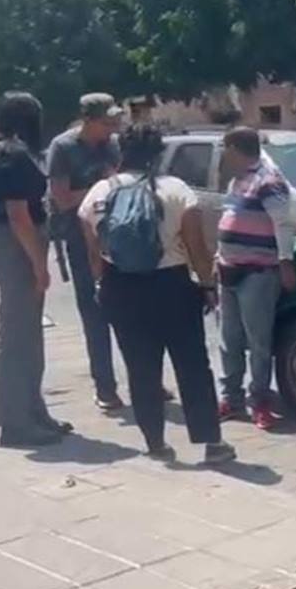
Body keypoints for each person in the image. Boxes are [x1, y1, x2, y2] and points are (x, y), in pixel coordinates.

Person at [78, 123, 235, 464]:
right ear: (157, 154)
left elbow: (94, 253)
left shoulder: (99, 193)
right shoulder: (176, 190)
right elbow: (197, 246)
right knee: (193, 365)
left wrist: (103, 285)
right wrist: (207, 285)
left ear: (122, 154)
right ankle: (211, 444)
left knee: (140, 367)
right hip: (172, 286)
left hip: (120, 287)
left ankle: (156, 444)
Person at [0, 92, 72, 447]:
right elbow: (18, 215)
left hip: (9, 245)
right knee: (18, 338)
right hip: (15, 247)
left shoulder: (1, 150)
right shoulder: (12, 154)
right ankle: (16, 423)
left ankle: (32, 409)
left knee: (28, 335)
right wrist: (38, 264)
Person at [46, 93, 125, 412]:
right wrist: (101, 187)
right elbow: (62, 198)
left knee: (130, 309)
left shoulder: (113, 144)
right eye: (107, 122)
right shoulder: (63, 148)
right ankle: (105, 386)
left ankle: (144, 378)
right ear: (88, 120)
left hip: (118, 236)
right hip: (80, 238)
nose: (112, 128)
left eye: (115, 122)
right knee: (95, 313)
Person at [215, 126, 296, 430]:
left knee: (258, 341)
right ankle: (231, 398)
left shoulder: (269, 180)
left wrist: (285, 262)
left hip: (258, 271)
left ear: (236, 149)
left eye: (226, 148)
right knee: (229, 339)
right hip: (229, 268)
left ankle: (260, 400)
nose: (223, 154)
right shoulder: (238, 180)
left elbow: (283, 224)